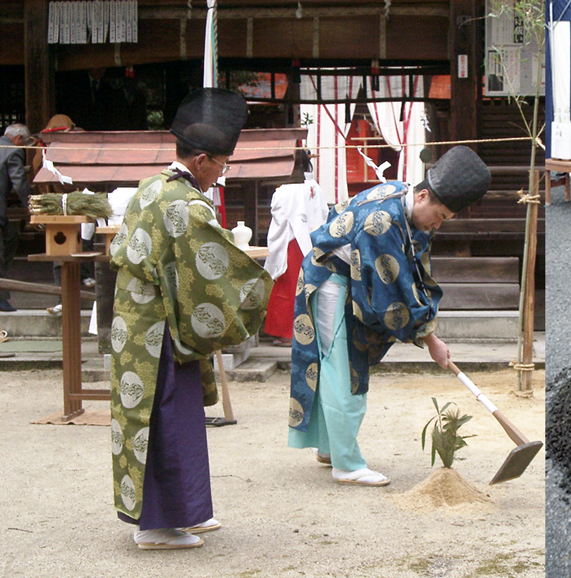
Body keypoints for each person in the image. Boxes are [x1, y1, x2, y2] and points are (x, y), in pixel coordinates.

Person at [109, 88, 273, 550]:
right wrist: (255, 286)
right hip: (158, 326)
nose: (222, 173)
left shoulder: (150, 187)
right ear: (202, 160)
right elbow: (212, 265)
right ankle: (158, 524)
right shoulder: (187, 203)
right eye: (222, 164)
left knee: (156, 415)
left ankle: (179, 512)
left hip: (134, 320)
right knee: (165, 417)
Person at [288, 145, 491, 486]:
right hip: (332, 283)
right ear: (424, 195)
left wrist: (427, 326)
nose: (437, 224)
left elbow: (411, 269)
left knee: (340, 368)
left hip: (348, 280)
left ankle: (331, 448)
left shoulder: (403, 196)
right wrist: (429, 338)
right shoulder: (381, 223)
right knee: (343, 371)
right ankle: (347, 465)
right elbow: (392, 290)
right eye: (439, 216)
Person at [263, 150, 328, 346]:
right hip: (312, 241)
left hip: (291, 241)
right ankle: (308, 330)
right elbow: (323, 213)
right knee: (306, 286)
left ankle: (286, 333)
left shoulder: (285, 190)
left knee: (287, 286)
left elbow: (279, 215)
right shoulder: (314, 187)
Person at [0, 124, 34, 312]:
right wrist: (33, 206)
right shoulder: (11, 152)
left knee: (10, 237)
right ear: (18, 139)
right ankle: (1, 299)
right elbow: (20, 183)